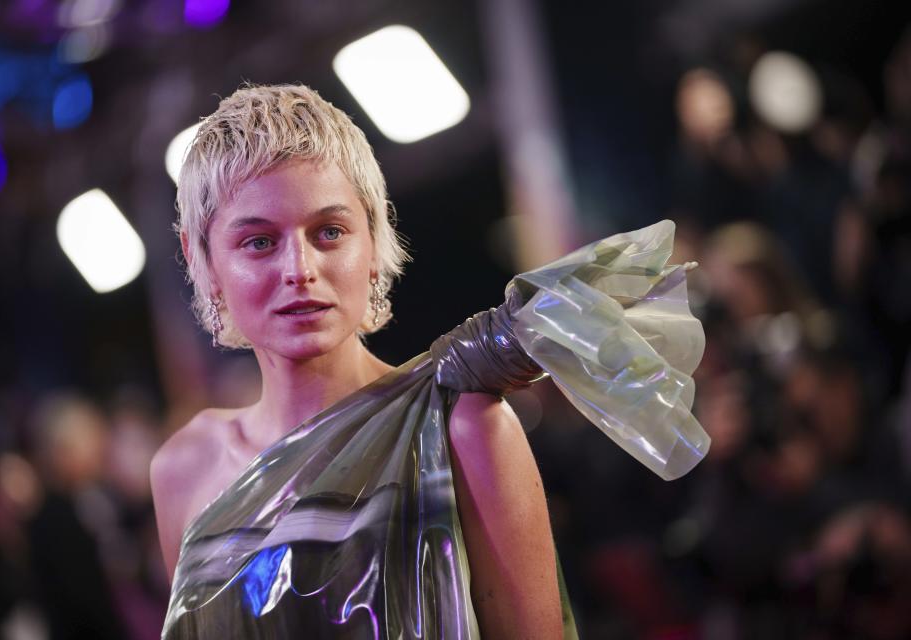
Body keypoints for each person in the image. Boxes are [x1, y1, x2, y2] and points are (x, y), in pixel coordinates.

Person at [151, 84, 708, 639]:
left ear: (373, 240)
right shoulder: (182, 470)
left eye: (329, 232)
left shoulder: (461, 425)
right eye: (258, 242)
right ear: (200, 257)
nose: (300, 268)